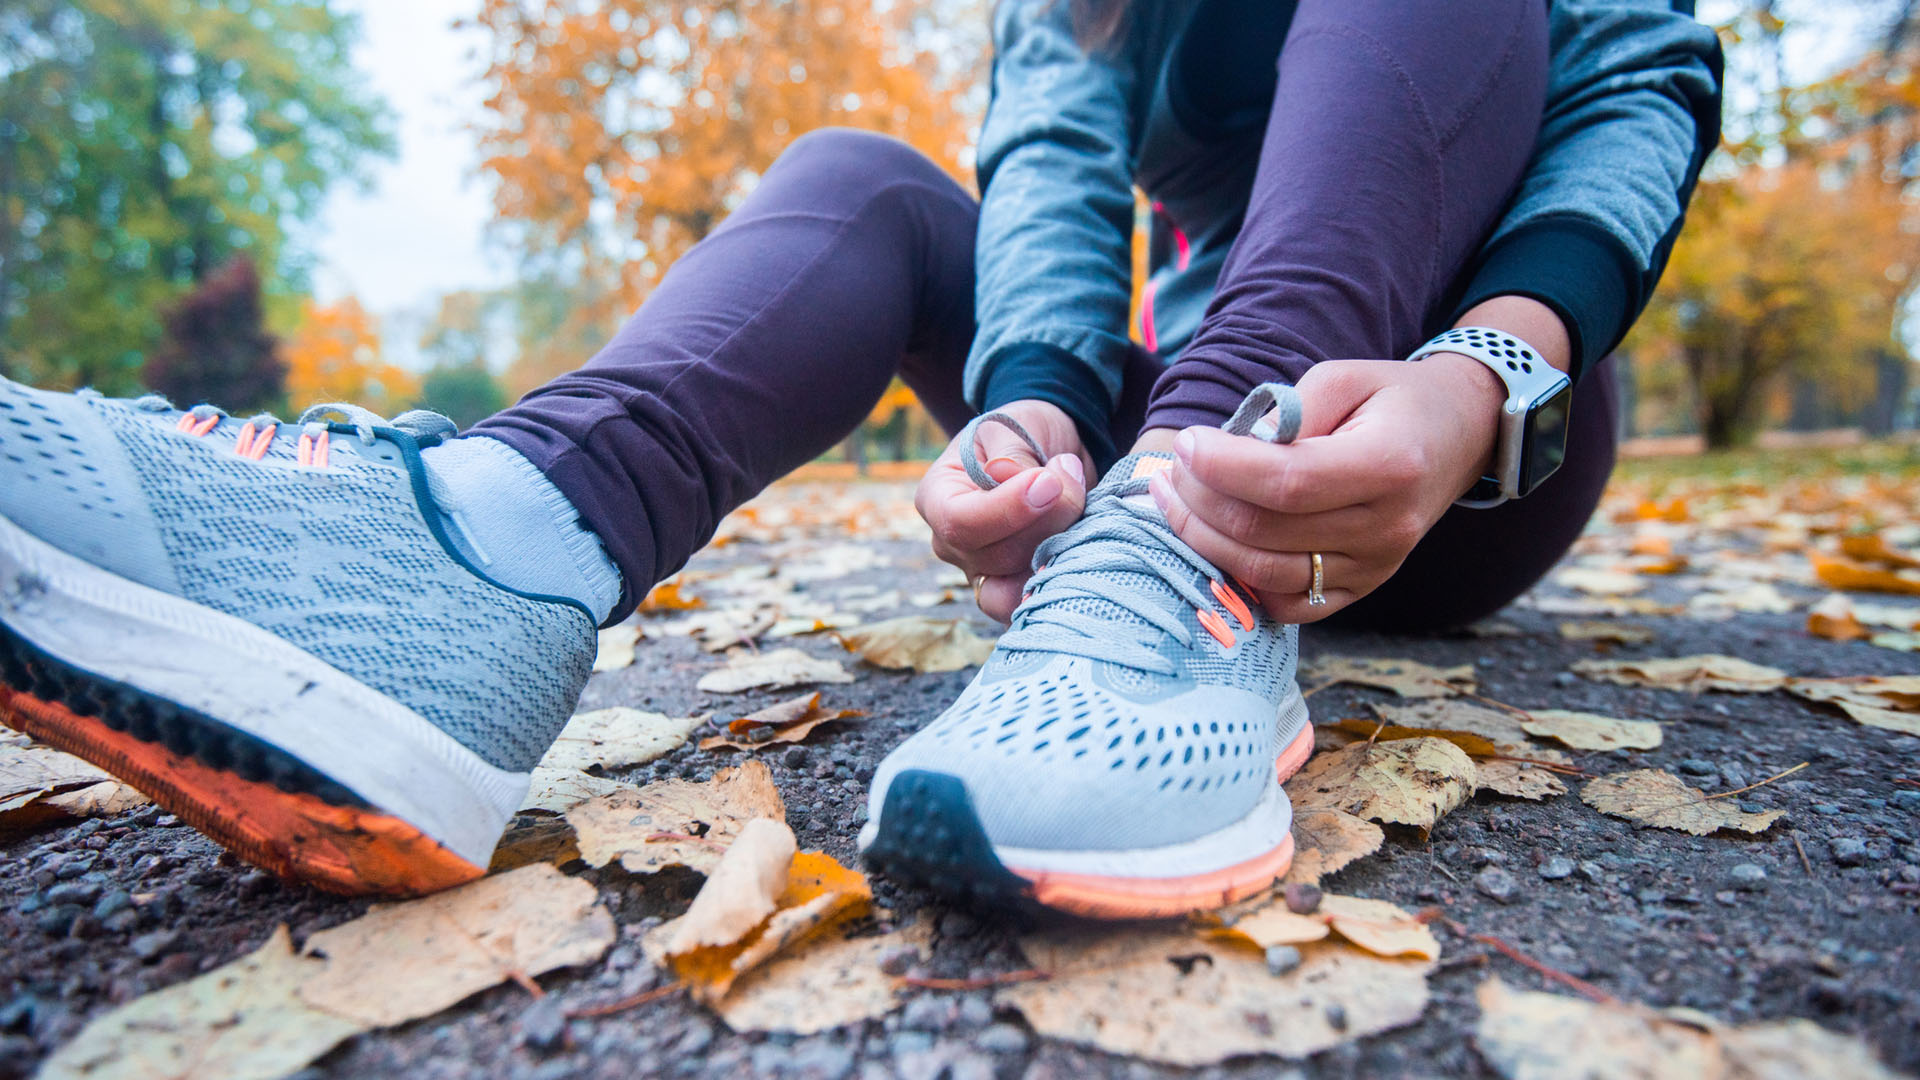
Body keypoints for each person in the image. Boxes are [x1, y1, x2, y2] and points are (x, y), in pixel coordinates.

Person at [0, 0, 1720, 917]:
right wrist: (1034, 400)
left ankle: (1202, 555)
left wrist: (1494, 366)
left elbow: (1643, 73)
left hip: (1448, 416)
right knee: (863, 181)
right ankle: (492, 548)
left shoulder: (1482, 381)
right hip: (1169, 400)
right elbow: (1048, 160)